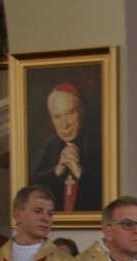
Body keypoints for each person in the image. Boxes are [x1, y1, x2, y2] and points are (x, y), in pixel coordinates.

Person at [30, 83, 102, 212]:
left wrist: (78, 171)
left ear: (81, 112)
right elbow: (31, 190)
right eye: (57, 117)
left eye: (70, 113)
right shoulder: (51, 145)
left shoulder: (98, 143)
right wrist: (57, 170)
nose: (64, 124)